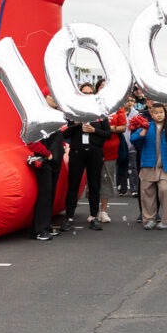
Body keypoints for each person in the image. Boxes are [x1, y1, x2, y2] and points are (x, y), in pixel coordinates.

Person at [60, 82, 111, 232]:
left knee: (94, 185)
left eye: (90, 93)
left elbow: (107, 134)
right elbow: (64, 133)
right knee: (73, 185)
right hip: (77, 152)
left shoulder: (100, 112)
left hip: (95, 152)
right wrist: (75, 123)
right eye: (84, 92)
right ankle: (69, 217)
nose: (87, 95)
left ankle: (94, 217)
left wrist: (93, 130)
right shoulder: (73, 111)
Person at [130, 103, 167, 230]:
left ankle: (166, 219)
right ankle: (149, 219)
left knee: (164, 190)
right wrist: (142, 133)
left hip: (163, 166)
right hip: (147, 165)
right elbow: (133, 139)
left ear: (165, 113)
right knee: (147, 193)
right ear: (151, 114)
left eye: (161, 112)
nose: (159, 115)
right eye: (155, 112)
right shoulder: (146, 126)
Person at [27, 91, 65, 241]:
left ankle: (46, 225)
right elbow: (30, 139)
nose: (55, 100)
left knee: (50, 194)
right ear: (44, 98)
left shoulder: (56, 116)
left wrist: (61, 146)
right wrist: (47, 153)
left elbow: (57, 135)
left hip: (54, 160)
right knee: (45, 194)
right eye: (52, 97)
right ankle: (39, 229)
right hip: (44, 160)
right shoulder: (36, 115)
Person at [97, 78, 125, 224]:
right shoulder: (92, 104)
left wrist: (109, 129)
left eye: (106, 86)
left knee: (106, 179)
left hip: (110, 149)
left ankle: (103, 211)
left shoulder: (117, 106)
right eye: (101, 86)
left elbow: (123, 127)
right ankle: (93, 210)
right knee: (93, 180)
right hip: (94, 148)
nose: (103, 88)